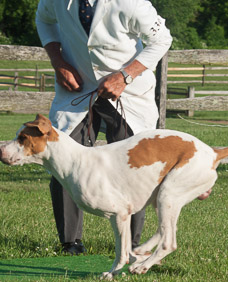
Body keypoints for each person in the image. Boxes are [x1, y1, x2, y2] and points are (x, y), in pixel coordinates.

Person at [35, 0, 172, 254]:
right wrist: (59, 62)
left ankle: (131, 245)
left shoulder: (132, 3)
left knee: (135, 166)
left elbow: (162, 39)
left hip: (127, 93)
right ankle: (70, 243)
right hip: (76, 90)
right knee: (61, 162)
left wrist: (125, 76)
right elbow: (43, 20)